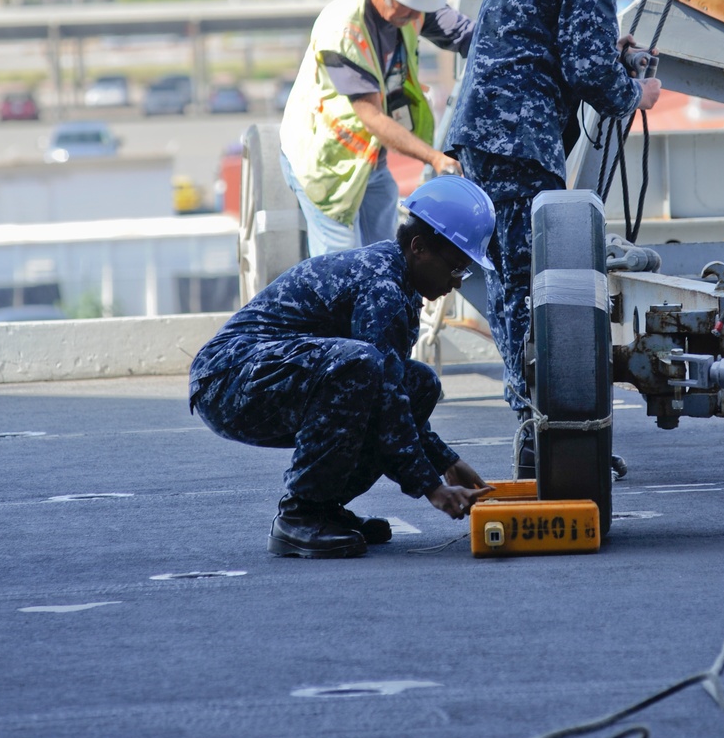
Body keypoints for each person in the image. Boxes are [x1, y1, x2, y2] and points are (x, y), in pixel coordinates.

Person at [446, 0, 687, 470]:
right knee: (536, 290)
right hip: (519, 141)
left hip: (489, 136)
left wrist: (612, 48)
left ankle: (542, 421)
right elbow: (585, 72)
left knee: (512, 284)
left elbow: (546, 37)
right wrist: (637, 93)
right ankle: (549, 435)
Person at [189, 176, 497, 558]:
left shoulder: (399, 281)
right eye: (455, 269)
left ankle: (323, 508)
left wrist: (448, 462)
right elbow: (383, 395)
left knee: (418, 383)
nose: (455, 284)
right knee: (360, 365)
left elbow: (395, 395)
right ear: (419, 248)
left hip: (263, 375)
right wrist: (432, 487)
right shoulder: (381, 286)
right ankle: (299, 517)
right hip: (227, 379)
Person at [280, 0, 472, 257]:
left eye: (420, 9)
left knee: (385, 259)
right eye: (410, 8)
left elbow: (469, 35)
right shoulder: (342, 29)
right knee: (341, 271)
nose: (415, 18)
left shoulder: (410, 6)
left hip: (370, 161)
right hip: (327, 163)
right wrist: (434, 158)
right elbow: (371, 115)